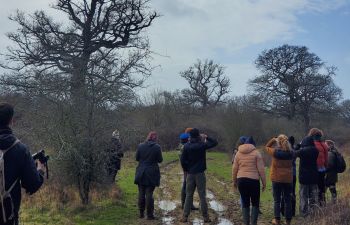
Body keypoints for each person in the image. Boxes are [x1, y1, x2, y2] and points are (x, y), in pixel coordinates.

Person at [0, 102, 45, 225]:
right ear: (12, 121)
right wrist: (40, 169)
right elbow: (33, 185)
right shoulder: (20, 149)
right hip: (8, 218)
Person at [180, 128, 218, 223]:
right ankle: (205, 217)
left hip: (190, 173)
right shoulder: (202, 145)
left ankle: (185, 216)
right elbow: (215, 142)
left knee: (189, 195)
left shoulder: (186, 146)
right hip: (200, 173)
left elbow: (182, 160)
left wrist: (187, 169)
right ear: (198, 135)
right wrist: (206, 136)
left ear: (190, 136)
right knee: (202, 196)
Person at [232, 136, 266, 225]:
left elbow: (234, 169)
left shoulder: (238, 153)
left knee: (245, 202)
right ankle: (253, 223)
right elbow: (261, 170)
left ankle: (246, 223)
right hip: (253, 181)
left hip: (241, 181)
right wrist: (264, 183)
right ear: (253, 145)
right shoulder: (256, 153)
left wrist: (234, 181)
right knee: (255, 203)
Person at [265, 135, 293, 225]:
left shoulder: (275, 152)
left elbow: (266, 147)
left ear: (279, 142)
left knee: (277, 200)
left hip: (276, 179)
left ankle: (277, 220)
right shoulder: (291, 152)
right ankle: (288, 221)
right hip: (288, 179)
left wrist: (273, 139)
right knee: (287, 200)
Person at [134, 131, 163, 220]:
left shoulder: (140, 146)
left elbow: (137, 158)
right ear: (155, 138)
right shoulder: (157, 147)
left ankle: (141, 213)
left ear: (148, 137)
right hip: (152, 172)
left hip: (141, 171)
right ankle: (149, 215)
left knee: (141, 193)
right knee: (149, 193)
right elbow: (160, 160)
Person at [295, 135, 319, 217]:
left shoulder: (303, 151)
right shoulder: (316, 150)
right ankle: (313, 212)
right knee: (313, 195)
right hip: (314, 176)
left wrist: (298, 145)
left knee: (303, 195)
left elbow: (294, 153)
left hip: (304, 177)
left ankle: (304, 213)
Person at [177, 132, 198, 210]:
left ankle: (187, 204)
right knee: (187, 185)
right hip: (187, 168)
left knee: (187, 185)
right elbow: (185, 159)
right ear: (186, 139)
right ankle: (185, 204)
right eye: (188, 138)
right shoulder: (184, 147)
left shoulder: (181, 145)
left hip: (186, 167)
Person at [308, 128, 328, 206]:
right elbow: (326, 159)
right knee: (322, 188)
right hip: (322, 169)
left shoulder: (311, 144)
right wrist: (325, 168)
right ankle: (322, 204)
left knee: (313, 188)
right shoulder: (324, 145)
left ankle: (313, 206)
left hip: (313, 169)